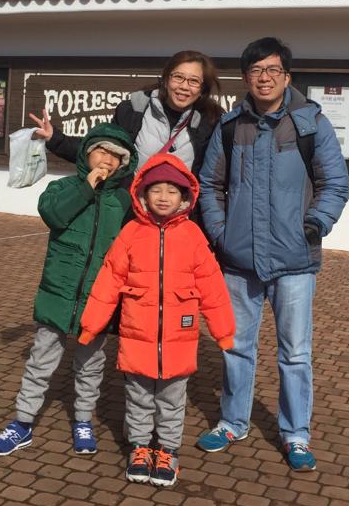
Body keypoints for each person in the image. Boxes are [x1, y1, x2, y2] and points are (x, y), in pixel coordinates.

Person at [196, 37, 349, 471]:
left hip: (295, 262)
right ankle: (232, 422)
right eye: (255, 71)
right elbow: (210, 186)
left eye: (272, 70)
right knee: (236, 346)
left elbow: (335, 184)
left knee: (295, 353)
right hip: (239, 261)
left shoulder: (310, 124)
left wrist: (315, 224)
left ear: (287, 76)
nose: (264, 78)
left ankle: (295, 434)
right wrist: (222, 233)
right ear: (245, 78)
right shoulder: (231, 126)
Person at [78, 153, 235, 487]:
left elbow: (212, 286)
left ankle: (167, 451)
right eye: (157, 190)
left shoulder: (193, 236)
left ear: (184, 198)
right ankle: (138, 447)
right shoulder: (131, 233)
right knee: (137, 399)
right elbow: (108, 281)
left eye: (172, 191)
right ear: (143, 194)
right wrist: (91, 325)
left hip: (179, 341)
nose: (164, 197)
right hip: (137, 337)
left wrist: (223, 332)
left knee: (171, 401)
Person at [0, 123, 137, 457]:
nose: (107, 161)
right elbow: (52, 214)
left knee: (91, 364)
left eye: (116, 156)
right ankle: (22, 422)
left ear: (124, 164)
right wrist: (85, 188)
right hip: (58, 294)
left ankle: (83, 419)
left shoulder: (124, 202)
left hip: (98, 301)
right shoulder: (62, 187)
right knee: (41, 360)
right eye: (102, 151)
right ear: (86, 152)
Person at [29, 51, 223, 173]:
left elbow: (216, 177)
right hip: (133, 213)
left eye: (193, 81)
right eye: (178, 77)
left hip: (180, 220)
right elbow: (102, 148)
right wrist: (55, 138)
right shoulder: (134, 110)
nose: (184, 86)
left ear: (202, 89)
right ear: (166, 79)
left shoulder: (211, 122)